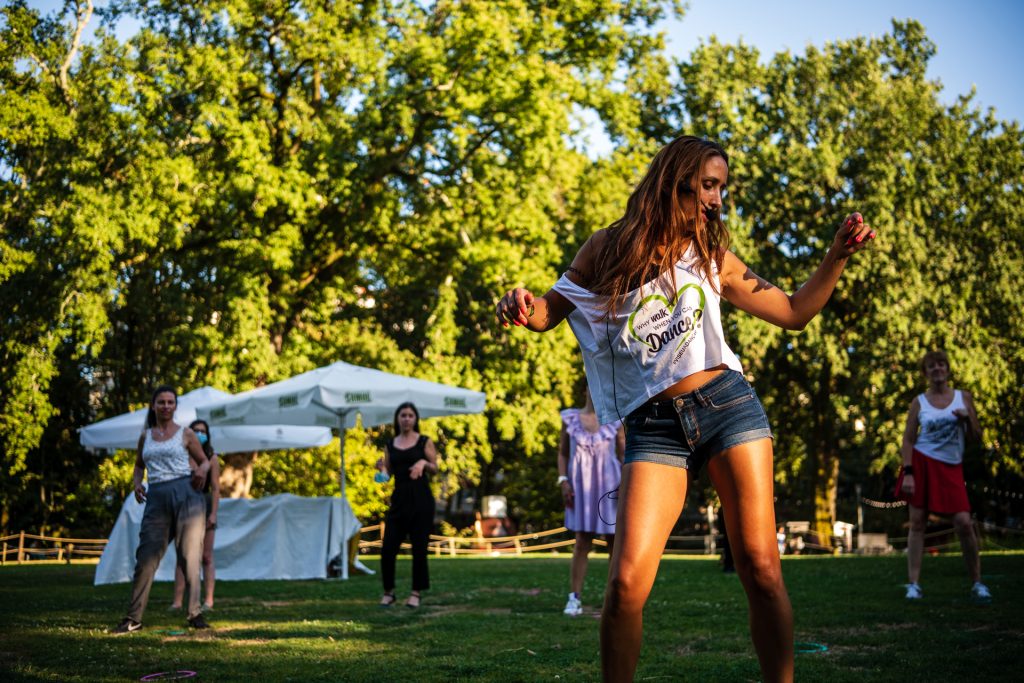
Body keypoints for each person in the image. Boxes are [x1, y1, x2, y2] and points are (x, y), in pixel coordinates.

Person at [496, 135, 875, 682]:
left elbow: (793, 312)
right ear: (672, 181)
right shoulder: (604, 249)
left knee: (762, 569)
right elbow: (547, 312)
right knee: (625, 586)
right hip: (654, 427)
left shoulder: (711, 254)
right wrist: (521, 303)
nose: (717, 199)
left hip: (727, 407)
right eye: (708, 185)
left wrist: (836, 256)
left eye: (721, 187)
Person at [113, 386, 212, 633]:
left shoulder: (186, 434)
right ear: (154, 405)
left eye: (170, 402)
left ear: (175, 406)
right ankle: (133, 618)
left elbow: (205, 460)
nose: (166, 406)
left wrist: (201, 470)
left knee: (189, 556)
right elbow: (138, 466)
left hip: (186, 495)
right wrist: (137, 484)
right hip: (156, 496)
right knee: (146, 556)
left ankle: (195, 613)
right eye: (161, 402)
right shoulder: (146, 436)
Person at [895, 350, 990, 602]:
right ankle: (913, 584)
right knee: (917, 523)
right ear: (925, 373)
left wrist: (968, 418)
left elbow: (976, 437)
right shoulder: (919, 402)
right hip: (922, 463)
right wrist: (908, 472)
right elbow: (908, 438)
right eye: (931, 366)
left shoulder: (963, 398)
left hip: (951, 466)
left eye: (941, 364)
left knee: (964, 523)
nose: (937, 369)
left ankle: (977, 582)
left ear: (947, 370)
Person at [558, 385, 625, 616]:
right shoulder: (570, 418)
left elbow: (625, 452)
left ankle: (613, 599)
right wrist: (563, 480)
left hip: (610, 486)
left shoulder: (615, 418)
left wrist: (628, 482)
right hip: (580, 488)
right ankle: (574, 598)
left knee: (613, 543)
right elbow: (563, 453)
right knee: (581, 542)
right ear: (587, 389)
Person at [375, 402, 439, 608]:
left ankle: (415, 593)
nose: (407, 419)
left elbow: (436, 468)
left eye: (411, 415)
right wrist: (381, 471)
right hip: (399, 499)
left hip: (421, 500)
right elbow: (384, 477)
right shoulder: (390, 444)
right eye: (403, 415)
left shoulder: (424, 442)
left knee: (419, 548)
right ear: (397, 419)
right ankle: (389, 592)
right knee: (388, 548)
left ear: (416, 419)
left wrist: (423, 464)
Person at [170, 419, 220, 612]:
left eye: (203, 431)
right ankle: (177, 601)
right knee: (183, 556)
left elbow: (216, 488)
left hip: (205, 504)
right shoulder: (181, 455)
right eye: (196, 430)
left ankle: (208, 600)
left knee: (206, 557)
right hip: (184, 506)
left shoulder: (211, 457)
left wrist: (213, 514)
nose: (200, 433)